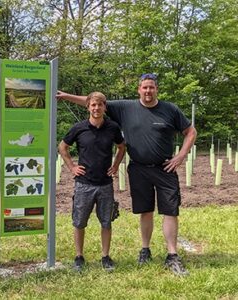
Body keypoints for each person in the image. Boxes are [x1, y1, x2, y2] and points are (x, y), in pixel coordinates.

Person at [57, 73, 197, 276]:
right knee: (145, 210)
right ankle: (145, 249)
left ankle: (172, 255)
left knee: (170, 211)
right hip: (138, 168)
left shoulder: (170, 110)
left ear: (156, 89)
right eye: (144, 87)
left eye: (151, 87)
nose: (148, 91)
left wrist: (181, 156)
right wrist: (66, 96)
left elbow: (191, 132)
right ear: (138, 89)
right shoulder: (126, 107)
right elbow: (93, 102)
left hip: (165, 167)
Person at [58, 92, 126, 272]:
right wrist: (72, 167)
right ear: (88, 106)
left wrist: (116, 165)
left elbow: (121, 147)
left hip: (105, 184)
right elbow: (62, 146)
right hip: (83, 184)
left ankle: (105, 256)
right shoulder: (79, 128)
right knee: (79, 222)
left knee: (106, 222)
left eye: (100, 105)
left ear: (105, 107)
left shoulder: (112, 127)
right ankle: (79, 256)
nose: (96, 108)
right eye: (93, 105)